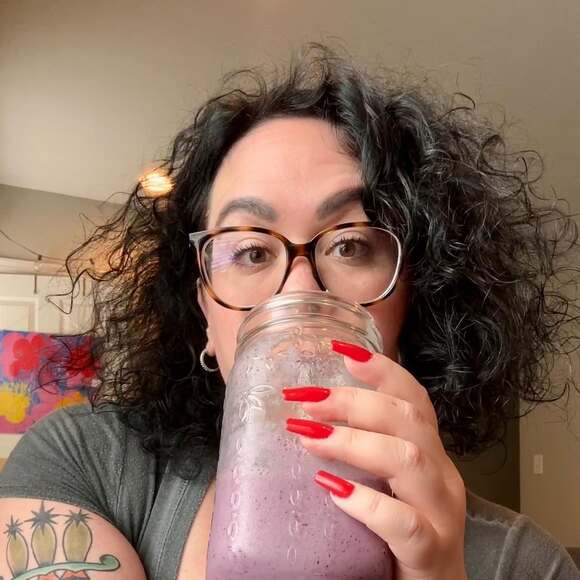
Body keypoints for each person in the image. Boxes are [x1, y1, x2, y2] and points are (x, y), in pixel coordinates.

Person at [1, 43, 579, 580]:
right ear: (204, 314)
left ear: (415, 298)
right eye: (251, 251)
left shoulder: (527, 563)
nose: (299, 295)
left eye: (351, 245)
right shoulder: (84, 462)